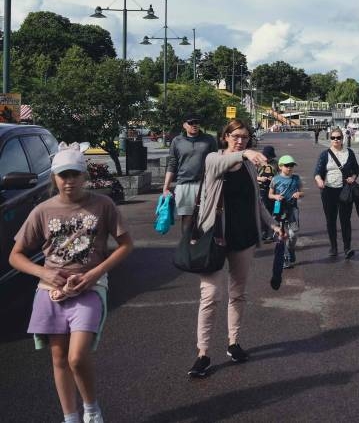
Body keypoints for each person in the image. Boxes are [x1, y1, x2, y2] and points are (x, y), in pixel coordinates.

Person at [10, 147, 134, 423]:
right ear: (54, 177)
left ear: (85, 176)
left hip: (90, 288)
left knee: (77, 357)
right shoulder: (42, 210)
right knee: (58, 357)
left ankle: (91, 408)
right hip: (51, 292)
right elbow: (15, 256)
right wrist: (44, 273)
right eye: (62, 175)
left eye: (74, 175)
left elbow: (126, 245)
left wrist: (94, 274)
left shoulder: (102, 205)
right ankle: (70, 416)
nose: (69, 181)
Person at [187, 119, 284, 379]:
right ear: (225, 136)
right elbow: (217, 165)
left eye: (245, 137)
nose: (241, 140)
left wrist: (273, 225)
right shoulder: (213, 159)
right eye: (236, 136)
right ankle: (203, 353)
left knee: (238, 293)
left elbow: (257, 202)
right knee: (209, 296)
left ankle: (233, 342)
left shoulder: (250, 168)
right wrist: (245, 153)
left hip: (244, 236)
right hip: (215, 237)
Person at [162, 114, 217, 232]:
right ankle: (186, 246)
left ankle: (202, 247)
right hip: (184, 183)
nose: (194, 125)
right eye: (191, 123)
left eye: (196, 122)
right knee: (187, 218)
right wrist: (166, 187)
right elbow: (172, 163)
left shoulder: (209, 139)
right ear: (184, 125)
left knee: (205, 217)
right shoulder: (177, 141)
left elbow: (215, 161)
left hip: (205, 184)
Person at [313, 128, 359, 259]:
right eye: (333, 138)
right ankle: (333, 247)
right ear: (330, 139)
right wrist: (319, 180)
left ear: (342, 138)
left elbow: (356, 169)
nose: (336, 140)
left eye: (338, 137)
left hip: (345, 190)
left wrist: (353, 178)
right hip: (328, 190)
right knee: (331, 220)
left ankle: (347, 248)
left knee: (345, 220)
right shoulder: (324, 154)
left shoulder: (349, 153)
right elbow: (317, 171)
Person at [269, 155, 304, 268]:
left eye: (292, 165)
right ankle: (285, 258)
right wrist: (276, 196)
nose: (290, 168)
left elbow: (302, 192)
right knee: (282, 234)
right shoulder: (275, 179)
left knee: (293, 234)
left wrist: (299, 194)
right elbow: (270, 195)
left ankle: (291, 249)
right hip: (279, 208)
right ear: (280, 166)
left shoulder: (296, 178)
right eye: (287, 165)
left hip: (292, 208)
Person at [257, 145, 278, 242]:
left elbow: (280, 175)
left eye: (270, 157)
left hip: (274, 191)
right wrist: (260, 178)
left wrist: (273, 179)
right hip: (262, 190)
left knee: (275, 211)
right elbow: (253, 175)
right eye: (267, 156)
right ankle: (263, 232)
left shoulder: (276, 163)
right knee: (263, 211)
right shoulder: (258, 163)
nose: (268, 159)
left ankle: (272, 233)